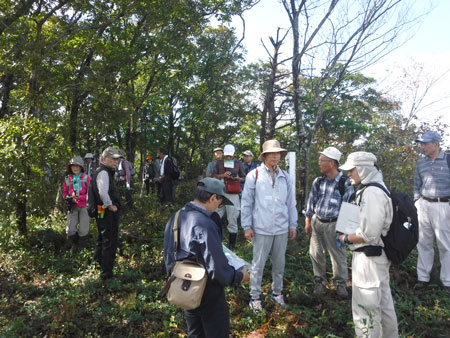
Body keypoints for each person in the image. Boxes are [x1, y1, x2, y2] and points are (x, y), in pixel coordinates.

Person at [163, 178, 250, 337]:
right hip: (209, 293)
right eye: (220, 202)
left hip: (187, 290)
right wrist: (239, 276)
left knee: (195, 333)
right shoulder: (205, 224)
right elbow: (217, 270)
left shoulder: (176, 217)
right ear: (212, 198)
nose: (218, 207)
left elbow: (169, 256)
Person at [338, 152, 398, 337]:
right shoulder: (374, 188)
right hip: (375, 258)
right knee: (383, 304)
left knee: (365, 307)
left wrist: (346, 238)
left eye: (351, 170)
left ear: (363, 169)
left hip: (369, 259)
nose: (348, 174)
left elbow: (369, 234)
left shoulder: (372, 192)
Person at [241, 140, 298, 311]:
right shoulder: (255, 175)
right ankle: (255, 297)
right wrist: (247, 226)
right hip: (261, 227)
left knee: (279, 264)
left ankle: (277, 293)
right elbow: (246, 202)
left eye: (278, 153)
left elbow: (291, 203)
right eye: (272, 153)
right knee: (258, 264)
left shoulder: (285, 176)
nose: (275, 156)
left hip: (281, 228)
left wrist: (292, 225)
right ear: (264, 156)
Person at [305, 147, 354, 298]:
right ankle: (319, 282)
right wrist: (308, 220)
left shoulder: (346, 183)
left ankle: (340, 284)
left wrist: (344, 230)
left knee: (338, 255)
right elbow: (312, 201)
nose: (319, 163)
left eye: (322, 160)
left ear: (332, 163)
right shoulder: (319, 181)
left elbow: (350, 208)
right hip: (317, 222)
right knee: (316, 253)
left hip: (335, 224)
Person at [413, 131, 450, 294]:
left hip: (443, 205)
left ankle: (447, 281)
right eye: (421, 143)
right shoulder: (421, 163)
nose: (422, 146)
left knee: (445, 244)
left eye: (426, 143)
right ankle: (423, 278)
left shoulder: (448, 159)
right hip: (424, 205)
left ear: (436, 144)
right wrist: (417, 202)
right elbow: (416, 183)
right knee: (423, 243)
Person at [91, 147, 122, 280]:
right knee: (109, 241)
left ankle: (96, 266)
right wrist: (110, 206)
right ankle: (106, 274)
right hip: (106, 212)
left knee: (102, 239)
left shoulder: (105, 171)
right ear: (104, 159)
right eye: (113, 159)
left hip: (101, 211)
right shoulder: (103, 172)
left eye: (117, 159)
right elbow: (103, 192)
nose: (115, 161)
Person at [213, 144, 245, 249]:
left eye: (230, 156)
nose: (228, 158)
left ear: (233, 155)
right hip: (220, 192)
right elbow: (213, 176)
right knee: (216, 216)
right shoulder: (219, 163)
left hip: (233, 193)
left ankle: (232, 246)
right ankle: (215, 241)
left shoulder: (238, 163)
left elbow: (244, 178)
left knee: (232, 217)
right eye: (227, 156)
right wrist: (222, 176)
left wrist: (237, 178)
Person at [63, 156, 91, 252]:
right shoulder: (67, 179)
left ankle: (81, 249)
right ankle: (74, 245)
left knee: (83, 230)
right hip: (72, 206)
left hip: (84, 206)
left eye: (77, 166)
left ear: (81, 167)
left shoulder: (87, 178)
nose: (75, 168)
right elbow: (64, 192)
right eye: (73, 165)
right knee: (70, 230)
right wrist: (68, 197)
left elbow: (91, 194)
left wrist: (81, 197)